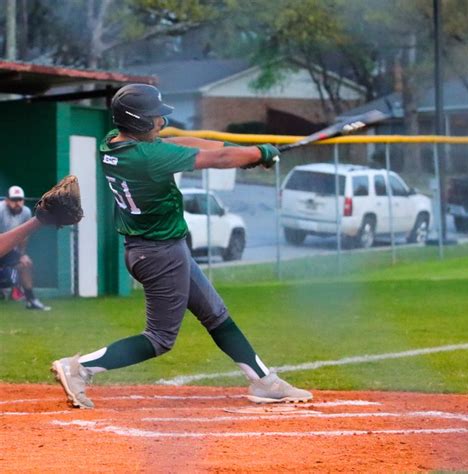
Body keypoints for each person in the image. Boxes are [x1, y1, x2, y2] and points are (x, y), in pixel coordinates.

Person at [51, 84, 312, 409]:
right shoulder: (148, 159)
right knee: (160, 339)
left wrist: (239, 151)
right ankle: (79, 368)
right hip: (160, 254)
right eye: (155, 117)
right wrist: (256, 154)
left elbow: (178, 144)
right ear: (139, 122)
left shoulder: (114, 144)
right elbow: (215, 159)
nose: (161, 121)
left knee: (216, 315)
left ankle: (264, 382)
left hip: (153, 249)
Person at [0, 186, 50, 310]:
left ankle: (30, 299)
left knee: (26, 263)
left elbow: (24, 236)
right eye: (13, 200)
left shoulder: (26, 212)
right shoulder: (0, 209)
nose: (17, 203)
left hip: (9, 248)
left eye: (20, 199)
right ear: (7, 200)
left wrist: (21, 254)